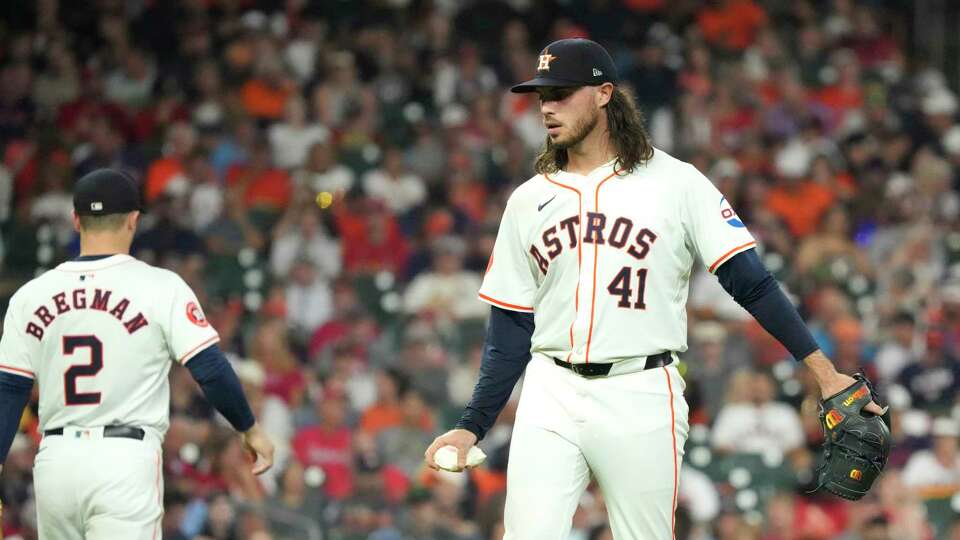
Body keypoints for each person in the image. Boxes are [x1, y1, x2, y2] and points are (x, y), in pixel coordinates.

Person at [423, 38, 883, 539]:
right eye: (542, 97)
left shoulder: (677, 183)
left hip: (641, 389)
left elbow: (750, 281)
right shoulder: (528, 199)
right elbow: (510, 329)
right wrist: (472, 425)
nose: (548, 108)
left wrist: (824, 371)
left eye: (562, 93)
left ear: (603, 94)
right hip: (551, 388)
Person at [0, 169, 274, 538]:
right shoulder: (160, 286)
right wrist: (249, 427)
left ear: (76, 220)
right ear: (134, 220)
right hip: (123, 460)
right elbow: (209, 368)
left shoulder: (30, 295)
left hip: (55, 462)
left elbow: (10, 389)